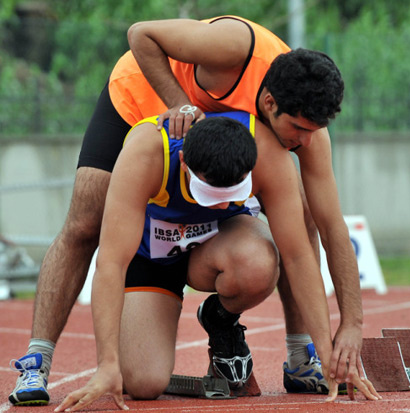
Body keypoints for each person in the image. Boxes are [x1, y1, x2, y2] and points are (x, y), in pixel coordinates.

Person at [9, 15, 365, 405]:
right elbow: (141, 34)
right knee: (85, 223)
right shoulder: (233, 48)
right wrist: (181, 104)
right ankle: (36, 361)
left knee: (302, 217)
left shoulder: (297, 133)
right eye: (299, 130)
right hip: (147, 101)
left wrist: (349, 327)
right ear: (268, 103)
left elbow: (326, 232)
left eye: (312, 132)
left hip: (220, 158)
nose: (305, 142)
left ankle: (299, 356)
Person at [50, 112, 379, 411]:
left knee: (259, 263)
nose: (220, 206)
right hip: (152, 255)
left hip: (219, 246)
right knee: (143, 384)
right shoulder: (146, 153)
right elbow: (110, 263)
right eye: (210, 195)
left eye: (230, 195)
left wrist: (326, 356)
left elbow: (297, 257)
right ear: (183, 163)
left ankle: (221, 320)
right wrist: (107, 363)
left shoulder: (266, 153)